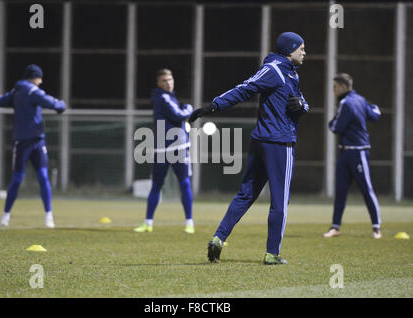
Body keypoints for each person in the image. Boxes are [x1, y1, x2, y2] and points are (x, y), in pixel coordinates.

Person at [189, 32, 308, 265]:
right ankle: (272, 253)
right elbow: (245, 88)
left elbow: (302, 102)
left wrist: (302, 105)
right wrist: (213, 107)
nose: (305, 53)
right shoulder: (275, 70)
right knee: (280, 201)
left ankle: (218, 238)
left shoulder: (290, 73)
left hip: (262, 140)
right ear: (289, 50)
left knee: (246, 194)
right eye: (301, 48)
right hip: (279, 142)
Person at [0, 64, 66, 228]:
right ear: (35, 78)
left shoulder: (16, 91)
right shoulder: (32, 91)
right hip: (36, 142)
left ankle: (5, 217)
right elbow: (50, 102)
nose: (41, 81)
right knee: (43, 178)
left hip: (22, 142)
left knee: (17, 179)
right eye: (40, 78)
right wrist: (61, 105)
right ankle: (49, 217)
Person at [133, 68, 195, 234]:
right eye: (164, 81)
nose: (169, 83)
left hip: (178, 147)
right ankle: (148, 223)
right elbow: (178, 115)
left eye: (170, 79)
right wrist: (189, 109)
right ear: (158, 84)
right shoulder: (162, 97)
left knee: (184, 183)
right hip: (164, 148)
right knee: (157, 185)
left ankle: (189, 223)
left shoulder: (169, 97)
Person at [323, 73, 382, 239]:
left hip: (356, 152)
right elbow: (375, 115)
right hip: (348, 151)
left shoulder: (346, 103)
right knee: (346, 190)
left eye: (335, 86)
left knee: (364, 189)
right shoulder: (361, 100)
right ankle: (336, 227)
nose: (333, 90)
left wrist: (331, 122)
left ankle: (376, 228)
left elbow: (335, 127)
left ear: (342, 87)